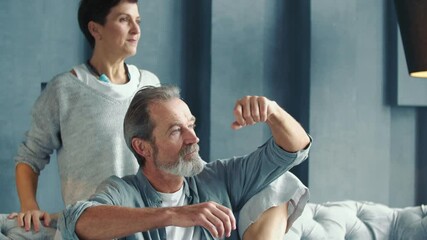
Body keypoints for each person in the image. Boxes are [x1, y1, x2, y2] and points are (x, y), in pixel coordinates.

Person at [58, 85, 311, 239]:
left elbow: (294, 149)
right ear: (142, 146)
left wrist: (273, 111)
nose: (194, 138)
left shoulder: (220, 177)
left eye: (191, 125)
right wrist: (173, 215)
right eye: (176, 131)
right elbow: (78, 222)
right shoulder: (123, 191)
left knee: (280, 181)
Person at [10, 0, 160, 232]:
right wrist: (29, 206)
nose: (136, 29)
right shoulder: (64, 90)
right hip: (91, 229)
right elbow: (29, 158)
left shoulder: (150, 85)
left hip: (148, 228)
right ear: (95, 29)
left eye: (137, 21)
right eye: (124, 19)